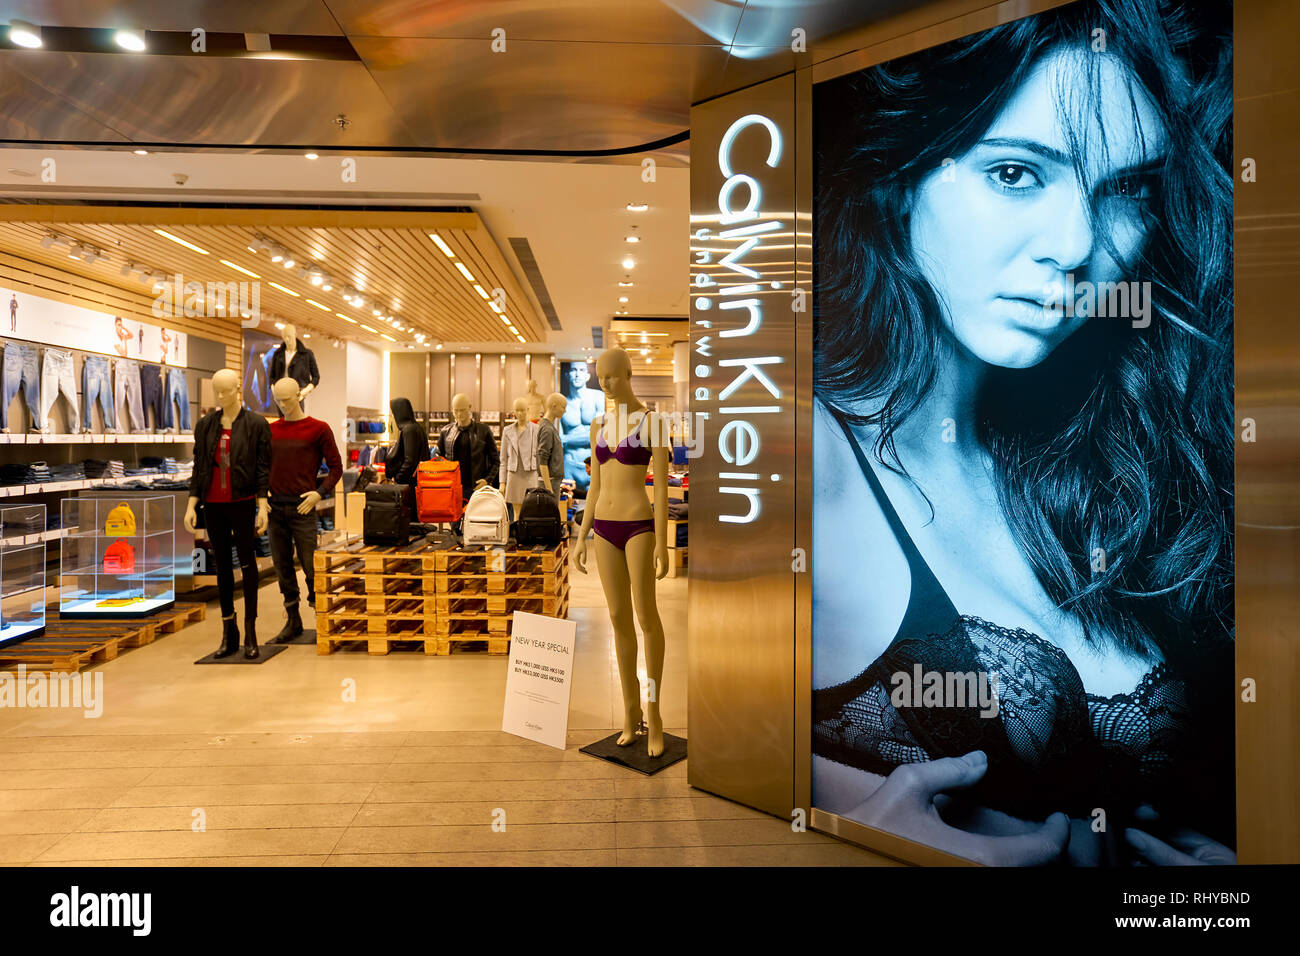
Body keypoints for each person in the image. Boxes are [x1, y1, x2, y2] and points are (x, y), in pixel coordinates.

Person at [811, 0, 1233, 867]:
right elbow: (699, 734)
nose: (1078, 245)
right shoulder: (805, 448)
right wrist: (826, 812)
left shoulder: (1111, 450)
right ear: (902, 177)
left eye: (1126, 190)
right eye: (1015, 174)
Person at [384, 397, 430, 521]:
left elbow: (410, 460)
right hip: (416, 485)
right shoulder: (417, 428)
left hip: (409, 487)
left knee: (408, 522)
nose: (393, 417)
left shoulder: (409, 430)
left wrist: (398, 478)